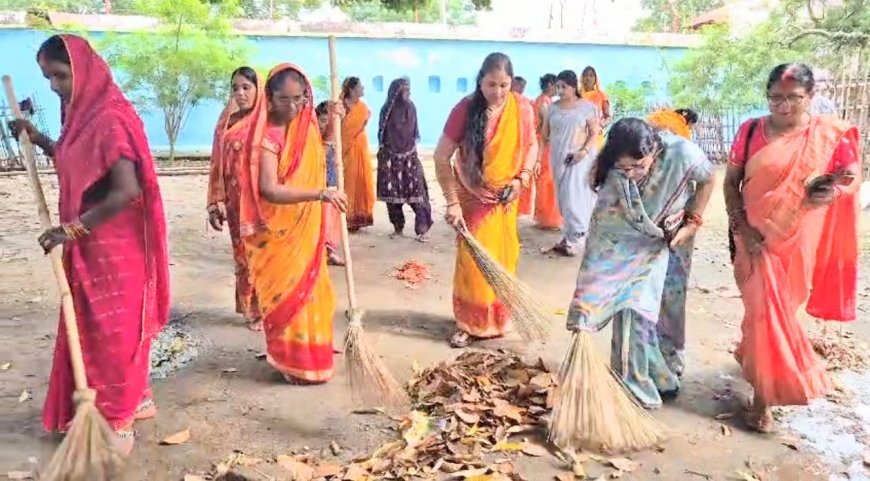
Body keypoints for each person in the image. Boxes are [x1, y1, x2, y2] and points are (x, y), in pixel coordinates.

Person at [12, 34, 170, 455]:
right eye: (48, 78)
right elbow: (74, 157)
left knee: (112, 333)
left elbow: (124, 190)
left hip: (116, 249)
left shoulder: (111, 117)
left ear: (81, 70)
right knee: (93, 330)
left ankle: (117, 418)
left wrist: (70, 230)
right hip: (89, 244)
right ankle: (132, 398)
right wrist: (38, 138)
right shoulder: (82, 116)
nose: (54, 86)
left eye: (60, 76)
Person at [724, 63, 861, 432]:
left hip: (800, 236)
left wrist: (831, 189)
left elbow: (849, 176)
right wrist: (742, 227)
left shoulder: (831, 135)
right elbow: (731, 182)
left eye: (793, 98)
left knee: (778, 310)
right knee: (761, 310)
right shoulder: (751, 130)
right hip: (751, 236)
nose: (783, 107)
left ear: (811, 97)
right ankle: (762, 398)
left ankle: (759, 380)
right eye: (775, 98)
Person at [566, 118, 716, 409]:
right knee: (631, 311)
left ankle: (662, 375)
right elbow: (603, 233)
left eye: (640, 166)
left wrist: (693, 221)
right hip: (623, 244)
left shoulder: (681, 155)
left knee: (661, 309)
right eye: (624, 168)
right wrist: (587, 297)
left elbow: (709, 178)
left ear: (655, 151)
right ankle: (636, 384)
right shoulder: (611, 173)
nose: (632, 175)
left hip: (669, 239)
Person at [243, 64, 348, 384]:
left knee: (314, 295)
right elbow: (270, 190)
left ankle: (312, 355)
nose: (293, 106)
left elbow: (324, 148)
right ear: (269, 99)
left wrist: (336, 120)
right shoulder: (267, 139)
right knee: (288, 298)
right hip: (279, 235)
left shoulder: (307, 128)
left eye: (299, 98)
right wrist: (320, 193)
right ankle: (291, 361)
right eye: (284, 99)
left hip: (307, 234)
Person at [433, 53, 538, 348]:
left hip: (507, 198)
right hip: (473, 197)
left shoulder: (522, 108)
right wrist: (452, 201)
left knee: (504, 259)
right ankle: (469, 322)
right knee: (473, 264)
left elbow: (531, 145)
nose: (498, 92)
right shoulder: (464, 110)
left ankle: (497, 319)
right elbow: (442, 157)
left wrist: (522, 178)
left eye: (504, 85)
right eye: (491, 84)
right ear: (480, 80)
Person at [207, 66, 265, 331]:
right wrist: (214, 200)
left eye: (246, 87)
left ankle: (265, 308)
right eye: (235, 88)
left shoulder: (267, 121)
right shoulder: (225, 122)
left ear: (258, 89)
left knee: (262, 256)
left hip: (262, 202)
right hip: (234, 202)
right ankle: (250, 309)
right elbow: (216, 164)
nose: (240, 93)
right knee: (242, 257)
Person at [541, 70, 601, 256]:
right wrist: (538, 158)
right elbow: (545, 134)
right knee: (563, 199)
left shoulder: (587, 107)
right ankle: (569, 235)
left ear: (574, 87)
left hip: (579, 159)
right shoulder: (552, 108)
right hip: (558, 158)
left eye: (563, 87)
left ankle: (577, 239)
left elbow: (594, 133)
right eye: (557, 87)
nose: (560, 90)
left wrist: (582, 152)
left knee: (576, 197)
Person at [376, 78, 433, 241]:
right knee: (392, 197)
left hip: (409, 158)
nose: (409, 93)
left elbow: (413, 131)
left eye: (409, 90)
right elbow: (382, 133)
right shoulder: (387, 110)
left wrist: (410, 149)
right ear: (396, 92)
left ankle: (423, 230)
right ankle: (398, 228)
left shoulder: (411, 108)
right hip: (390, 158)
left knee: (418, 194)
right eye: (405, 90)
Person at [341, 77, 375, 231]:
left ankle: (360, 217)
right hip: (346, 149)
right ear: (352, 90)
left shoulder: (363, 107)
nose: (363, 89)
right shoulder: (341, 106)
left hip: (361, 148)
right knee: (348, 182)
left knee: (362, 180)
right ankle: (346, 218)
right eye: (361, 86)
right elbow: (340, 129)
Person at [315, 101, 346, 266]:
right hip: (318, 188)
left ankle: (331, 251)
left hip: (332, 183)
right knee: (321, 220)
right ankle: (319, 252)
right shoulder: (314, 141)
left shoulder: (334, 139)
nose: (324, 125)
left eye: (328, 121)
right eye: (322, 121)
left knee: (333, 219)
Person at [533, 73, 562, 230]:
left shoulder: (546, 101)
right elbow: (548, 123)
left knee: (547, 181)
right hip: (545, 146)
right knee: (547, 181)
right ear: (550, 85)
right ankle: (548, 219)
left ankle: (547, 217)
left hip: (546, 145)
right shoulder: (544, 102)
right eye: (557, 85)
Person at [580, 66, 611, 148]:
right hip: (580, 137)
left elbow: (608, 116)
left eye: (591, 75)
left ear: (595, 79)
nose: (588, 78)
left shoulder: (601, 95)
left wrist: (602, 124)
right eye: (585, 75)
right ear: (582, 78)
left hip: (596, 136)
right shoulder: (577, 95)